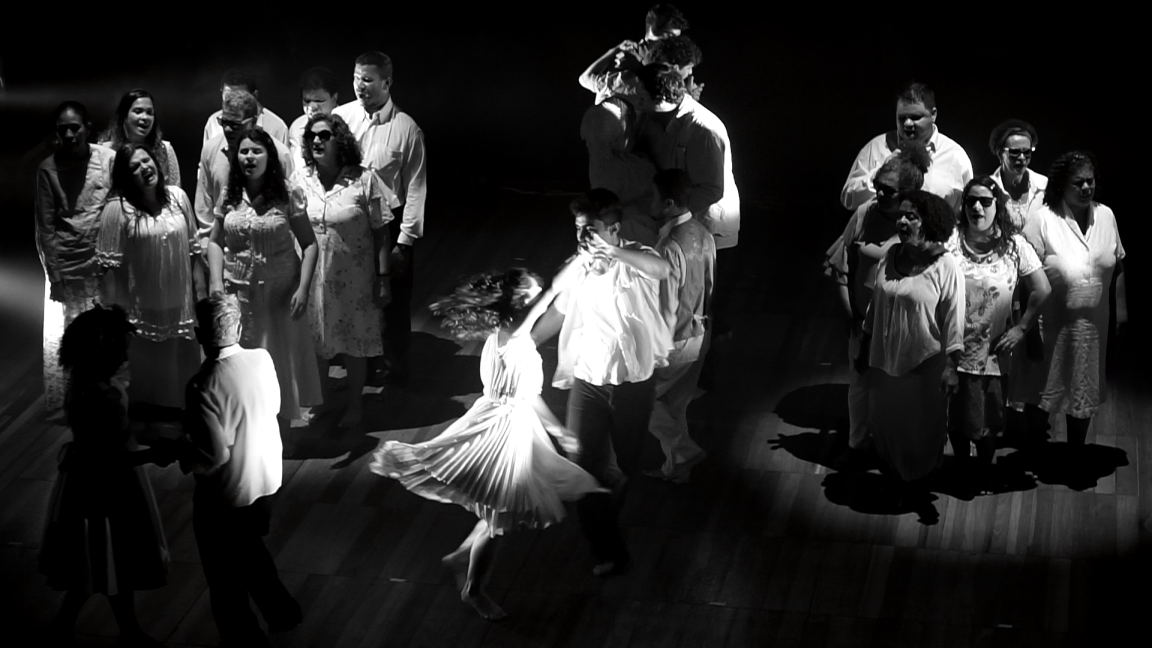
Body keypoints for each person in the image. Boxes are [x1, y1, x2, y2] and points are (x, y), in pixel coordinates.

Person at [369, 269, 602, 621]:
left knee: (500, 509)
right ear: (520, 304)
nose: (540, 300)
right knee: (500, 518)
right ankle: (474, 590)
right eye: (534, 295)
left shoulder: (504, 334)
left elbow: (526, 385)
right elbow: (528, 393)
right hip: (502, 431)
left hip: (504, 421)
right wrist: (559, 431)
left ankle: (463, 557)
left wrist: (557, 431)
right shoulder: (516, 342)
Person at [529, 189, 672, 577]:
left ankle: (607, 516)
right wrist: (524, 341)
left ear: (612, 229)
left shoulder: (638, 260)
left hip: (632, 384)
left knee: (623, 467)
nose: (582, 239)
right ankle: (609, 550)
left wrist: (613, 253)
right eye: (578, 230)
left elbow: (661, 271)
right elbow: (558, 312)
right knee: (583, 468)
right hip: (589, 381)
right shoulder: (578, 267)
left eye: (589, 231)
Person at [172, 293, 302, 647]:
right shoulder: (262, 359)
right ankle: (282, 611)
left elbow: (212, 456)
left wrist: (181, 452)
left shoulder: (202, 384)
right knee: (249, 548)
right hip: (266, 477)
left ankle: (245, 639)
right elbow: (272, 406)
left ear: (200, 334)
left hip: (227, 491)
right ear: (239, 327)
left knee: (223, 575)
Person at [40, 305, 171, 647]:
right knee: (111, 554)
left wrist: (171, 413)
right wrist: (156, 454)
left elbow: (127, 413)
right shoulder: (100, 398)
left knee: (99, 559)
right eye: (121, 349)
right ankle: (120, 631)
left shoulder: (90, 386)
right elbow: (110, 458)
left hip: (90, 479)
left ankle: (82, 627)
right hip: (106, 487)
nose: (126, 355)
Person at [824, 144, 931, 463]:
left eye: (889, 191)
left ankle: (895, 449)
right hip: (862, 321)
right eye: (878, 189)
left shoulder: (924, 225)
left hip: (903, 327)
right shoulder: (864, 213)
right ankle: (857, 445)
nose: (881, 196)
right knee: (860, 382)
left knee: (898, 389)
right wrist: (853, 319)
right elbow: (841, 269)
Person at [208, 127, 322, 422]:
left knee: (278, 360)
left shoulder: (287, 194)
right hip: (240, 294)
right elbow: (215, 242)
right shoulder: (229, 194)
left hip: (281, 293)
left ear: (269, 156)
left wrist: (303, 289)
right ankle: (249, 425)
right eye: (244, 151)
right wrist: (216, 282)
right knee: (245, 359)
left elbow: (309, 244)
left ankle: (282, 424)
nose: (249, 157)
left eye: (256, 151)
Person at [292, 113, 397, 426]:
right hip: (311, 278)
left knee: (354, 343)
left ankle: (354, 405)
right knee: (316, 341)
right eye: (312, 136)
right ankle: (321, 399)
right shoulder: (300, 180)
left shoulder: (364, 180)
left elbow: (381, 232)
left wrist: (382, 279)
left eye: (324, 135)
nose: (317, 141)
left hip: (353, 277)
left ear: (340, 140)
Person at [1015, 152, 1126, 445]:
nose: (1086, 188)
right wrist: (1027, 331)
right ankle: (1036, 448)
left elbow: (1119, 264)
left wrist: (1121, 313)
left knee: (1083, 386)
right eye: (1078, 183)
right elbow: (1025, 276)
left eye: (1090, 181)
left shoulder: (1106, 215)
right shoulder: (1042, 220)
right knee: (1043, 388)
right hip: (1048, 325)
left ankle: (1075, 453)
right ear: (1062, 185)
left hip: (1091, 326)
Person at [333, 51, 427, 384]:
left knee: (394, 301)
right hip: (351, 218)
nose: (360, 86)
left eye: (368, 80)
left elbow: (415, 187)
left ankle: (396, 369)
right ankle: (361, 365)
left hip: (389, 222)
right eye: (356, 78)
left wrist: (405, 240)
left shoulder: (406, 129)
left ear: (387, 82)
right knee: (355, 295)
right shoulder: (340, 118)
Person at [945, 177, 1050, 473]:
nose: (977, 207)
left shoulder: (1014, 245)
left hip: (992, 349)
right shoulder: (950, 240)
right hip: (952, 344)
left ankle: (982, 470)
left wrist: (1022, 328)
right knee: (955, 414)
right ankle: (962, 469)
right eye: (970, 201)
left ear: (997, 206)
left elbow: (1042, 289)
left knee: (988, 417)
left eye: (985, 201)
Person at [861, 190, 964, 487]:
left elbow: (954, 321)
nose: (902, 221)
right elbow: (875, 306)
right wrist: (864, 348)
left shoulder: (945, 266)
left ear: (929, 222)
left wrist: (951, 367)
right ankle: (897, 477)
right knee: (887, 424)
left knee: (919, 429)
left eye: (912, 217)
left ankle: (918, 481)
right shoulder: (892, 255)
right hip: (884, 362)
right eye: (901, 215)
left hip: (923, 367)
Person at [97, 144, 204, 412]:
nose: (144, 168)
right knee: (152, 382)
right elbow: (109, 269)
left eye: (146, 161)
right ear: (125, 176)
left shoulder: (178, 197)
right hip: (143, 315)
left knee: (188, 378)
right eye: (134, 166)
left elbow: (194, 253)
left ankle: (187, 431)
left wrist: (201, 299)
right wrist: (116, 321)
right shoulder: (117, 210)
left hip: (182, 310)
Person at [636, 63, 740, 339]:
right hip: (690, 223)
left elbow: (712, 189)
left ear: (659, 99)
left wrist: (670, 209)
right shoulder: (672, 121)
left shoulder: (702, 129)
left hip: (708, 225)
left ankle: (702, 372)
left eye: (642, 97)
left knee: (704, 302)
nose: (638, 102)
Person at [34, 101, 116, 414]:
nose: (69, 135)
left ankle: (110, 398)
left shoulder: (107, 159)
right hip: (69, 267)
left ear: (87, 128)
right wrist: (54, 274)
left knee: (106, 335)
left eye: (75, 128)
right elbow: (46, 225)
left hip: (104, 262)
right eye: (63, 129)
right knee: (77, 340)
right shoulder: (48, 169)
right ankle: (80, 403)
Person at [644, 169, 715, 483]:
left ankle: (683, 451)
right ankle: (676, 470)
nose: (649, 200)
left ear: (668, 202)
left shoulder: (669, 247)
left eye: (653, 196)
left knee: (640, 400)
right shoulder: (703, 232)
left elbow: (666, 304)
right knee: (675, 405)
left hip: (676, 338)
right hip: (700, 331)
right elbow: (710, 284)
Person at [840, 82, 973, 213]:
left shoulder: (956, 157)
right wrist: (879, 175)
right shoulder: (876, 148)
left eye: (915, 118)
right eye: (902, 118)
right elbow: (848, 199)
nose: (908, 124)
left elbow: (966, 214)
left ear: (933, 115)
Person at [195, 89, 294, 253]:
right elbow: (204, 200)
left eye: (235, 125)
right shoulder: (211, 149)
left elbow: (290, 207)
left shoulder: (279, 153)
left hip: (267, 250)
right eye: (223, 122)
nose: (227, 129)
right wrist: (207, 242)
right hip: (222, 250)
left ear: (253, 121)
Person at [99, 88, 181, 187]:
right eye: (138, 111)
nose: (145, 117)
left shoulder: (165, 150)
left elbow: (175, 191)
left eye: (150, 112)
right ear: (124, 116)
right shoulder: (105, 150)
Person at [202, 68, 289, 145]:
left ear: (254, 95)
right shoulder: (213, 122)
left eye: (240, 96)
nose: (234, 101)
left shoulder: (277, 127)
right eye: (228, 96)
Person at [988, 119, 1047, 228]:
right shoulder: (987, 189)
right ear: (1000, 154)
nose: (1022, 158)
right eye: (1014, 152)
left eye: (1027, 152)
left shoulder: (1045, 186)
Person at [287, 66, 340, 170]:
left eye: (319, 101)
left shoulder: (350, 122)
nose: (312, 107)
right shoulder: (297, 126)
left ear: (334, 99)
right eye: (306, 101)